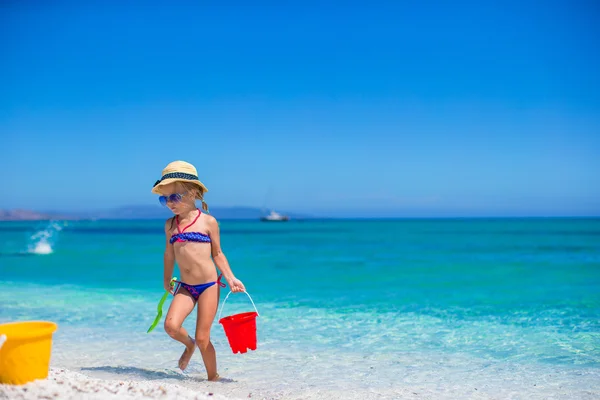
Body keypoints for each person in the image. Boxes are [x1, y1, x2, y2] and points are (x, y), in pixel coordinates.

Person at [152, 160, 246, 380]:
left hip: (208, 287)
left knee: (204, 338)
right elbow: (169, 254)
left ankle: (213, 378)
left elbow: (218, 254)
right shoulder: (170, 225)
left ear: (193, 193)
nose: (169, 203)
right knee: (171, 326)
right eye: (164, 199)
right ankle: (188, 345)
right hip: (185, 287)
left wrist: (231, 278)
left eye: (175, 197)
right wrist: (166, 280)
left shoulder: (208, 222)